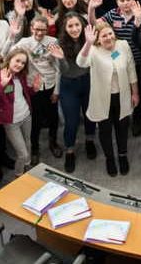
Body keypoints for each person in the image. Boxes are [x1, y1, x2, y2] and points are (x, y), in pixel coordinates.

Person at [75, 21, 139, 176]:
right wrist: (88, 44)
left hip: (122, 95)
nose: (109, 37)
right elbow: (81, 62)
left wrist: (135, 92)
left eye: (111, 33)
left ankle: (122, 155)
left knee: (122, 127)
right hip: (102, 99)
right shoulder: (94, 50)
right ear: (98, 39)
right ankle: (110, 158)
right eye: (104, 35)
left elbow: (131, 69)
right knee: (105, 130)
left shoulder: (122, 45)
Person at [2, 17, 62, 164]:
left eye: (43, 29)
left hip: (50, 85)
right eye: (37, 29)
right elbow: (6, 54)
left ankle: (53, 142)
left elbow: (59, 68)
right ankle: (35, 148)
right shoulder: (24, 43)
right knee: (35, 120)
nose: (39, 32)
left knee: (53, 118)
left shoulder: (53, 42)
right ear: (31, 28)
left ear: (47, 29)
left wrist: (57, 91)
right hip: (32, 87)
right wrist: (12, 36)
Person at [47, 12, 96, 173]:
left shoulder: (87, 40)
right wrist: (60, 58)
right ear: (65, 28)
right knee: (71, 121)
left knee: (90, 115)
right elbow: (65, 71)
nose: (74, 29)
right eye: (70, 26)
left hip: (87, 82)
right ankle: (70, 150)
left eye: (77, 25)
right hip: (69, 85)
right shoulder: (60, 43)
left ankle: (90, 140)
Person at [0, 48, 41, 176]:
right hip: (11, 123)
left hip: (26, 116)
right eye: (17, 61)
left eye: (23, 63)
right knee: (22, 154)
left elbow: (24, 93)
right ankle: (19, 175)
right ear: (9, 59)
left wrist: (35, 89)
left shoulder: (20, 75)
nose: (20, 65)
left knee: (28, 144)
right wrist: (2, 85)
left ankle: (27, 169)